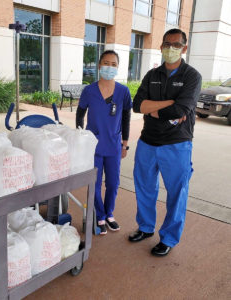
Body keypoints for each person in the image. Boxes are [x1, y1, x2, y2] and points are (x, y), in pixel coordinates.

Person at [129, 29, 202, 256]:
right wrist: (168, 104)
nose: (171, 48)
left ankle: (169, 238)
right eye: (167, 44)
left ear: (184, 48)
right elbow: (137, 105)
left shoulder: (192, 76)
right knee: (144, 187)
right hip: (147, 142)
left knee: (177, 192)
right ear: (161, 46)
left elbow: (181, 109)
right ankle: (146, 227)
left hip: (177, 144)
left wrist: (154, 108)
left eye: (176, 45)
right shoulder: (152, 75)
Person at [76, 50, 132, 235]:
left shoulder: (123, 91)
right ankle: (99, 215)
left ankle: (109, 214)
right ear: (99, 65)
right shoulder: (89, 90)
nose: (109, 67)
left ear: (118, 67)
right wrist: (79, 136)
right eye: (106, 63)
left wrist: (125, 142)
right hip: (93, 146)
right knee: (95, 183)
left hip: (114, 145)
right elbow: (80, 113)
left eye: (113, 64)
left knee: (114, 183)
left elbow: (126, 117)